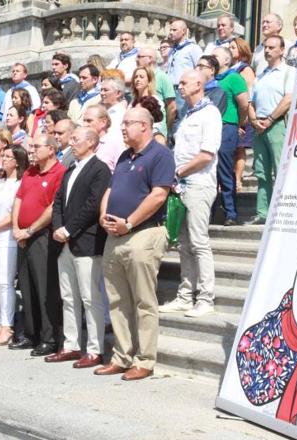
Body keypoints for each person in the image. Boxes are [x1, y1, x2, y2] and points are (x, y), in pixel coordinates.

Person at [95, 107, 174, 380]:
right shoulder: (123, 156)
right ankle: (121, 355)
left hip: (143, 233)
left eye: (128, 123)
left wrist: (128, 222)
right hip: (115, 235)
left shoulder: (160, 154)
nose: (123, 128)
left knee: (143, 301)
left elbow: (158, 196)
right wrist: (104, 217)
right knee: (117, 301)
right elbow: (110, 190)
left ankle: (144, 359)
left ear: (145, 125)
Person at [159, 70, 222, 318]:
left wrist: (179, 171)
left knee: (198, 242)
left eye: (184, 83)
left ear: (199, 84)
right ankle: (186, 296)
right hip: (181, 185)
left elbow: (207, 154)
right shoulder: (187, 115)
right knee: (183, 244)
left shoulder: (210, 113)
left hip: (199, 183)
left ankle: (206, 298)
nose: (180, 86)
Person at [47, 127, 111, 368]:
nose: (71, 143)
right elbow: (58, 202)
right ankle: (71, 345)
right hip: (64, 242)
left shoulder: (100, 169)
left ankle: (95, 349)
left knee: (89, 297)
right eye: (71, 139)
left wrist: (69, 229)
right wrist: (57, 227)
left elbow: (94, 204)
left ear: (91, 143)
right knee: (68, 297)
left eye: (76, 139)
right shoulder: (70, 169)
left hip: (86, 241)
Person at [10, 133, 66, 356]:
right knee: (27, 287)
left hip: (41, 236)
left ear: (51, 149)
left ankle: (49, 337)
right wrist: (16, 229)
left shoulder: (59, 172)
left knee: (45, 288)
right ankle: (31, 334)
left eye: (36, 146)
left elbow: (53, 207)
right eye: (30, 146)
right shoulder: (31, 171)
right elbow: (19, 199)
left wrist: (29, 230)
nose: (31, 150)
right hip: (22, 236)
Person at [246, 35, 295, 225]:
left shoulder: (288, 72)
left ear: (282, 50)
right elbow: (251, 102)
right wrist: (253, 119)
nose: (267, 50)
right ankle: (263, 212)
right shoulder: (260, 76)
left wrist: (271, 118)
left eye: (272, 47)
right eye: (265, 47)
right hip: (259, 127)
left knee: (279, 169)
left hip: (277, 125)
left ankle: (282, 211)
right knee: (261, 171)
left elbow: (289, 99)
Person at [0, 145, 29, 346]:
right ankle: (2, 324)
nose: (4, 159)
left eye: (8, 156)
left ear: (17, 161)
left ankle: (7, 325)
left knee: (5, 281)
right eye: (3, 155)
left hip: (8, 237)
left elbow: (14, 214)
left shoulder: (20, 183)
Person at [212, 46, 249, 226]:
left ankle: (231, 212)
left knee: (225, 169)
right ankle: (213, 211)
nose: (212, 58)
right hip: (210, 127)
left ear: (226, 60)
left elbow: (244, 104)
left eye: (216, 56)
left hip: (227, 126)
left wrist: (239, 123)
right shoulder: (210, 80)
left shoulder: (234, 77)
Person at [230, 37, 256, 191]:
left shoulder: (245, 69)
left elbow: (248, 92)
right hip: (230, 112)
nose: (230, 49)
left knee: (239, 148)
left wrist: (244, 116)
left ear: (241, 50)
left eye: (233, 47)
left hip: (242, 114)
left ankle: (238, 180)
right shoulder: (230, 69)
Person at [136, 46, 177, 132]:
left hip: (157, 129)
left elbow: (172, 107)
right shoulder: (138, 77)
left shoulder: (162, 77)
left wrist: (166, 127)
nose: (136, 59)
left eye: (139, 57)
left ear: (150, 59)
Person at [166, 19, 202, 108]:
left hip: (182, 90)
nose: (171, 32)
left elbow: (200, 69)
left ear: (183, 31)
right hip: (169, 90)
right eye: (170, 30)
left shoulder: (193, 48)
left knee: (181, 117)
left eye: (174, 30)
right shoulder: (171, 50)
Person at [83, 104, 125, 172]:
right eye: (84, 121)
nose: (84, 124)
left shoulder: (116, 144)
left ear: (103, 122)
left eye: (89, 121)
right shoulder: (83, 144)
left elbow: (123, 172)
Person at [130, 66, 168, 140]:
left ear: (149, 81)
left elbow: (159, 125)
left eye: (141, 77)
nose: (138, 79)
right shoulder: (132, 102)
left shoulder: (155, 101)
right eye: (136, 77)